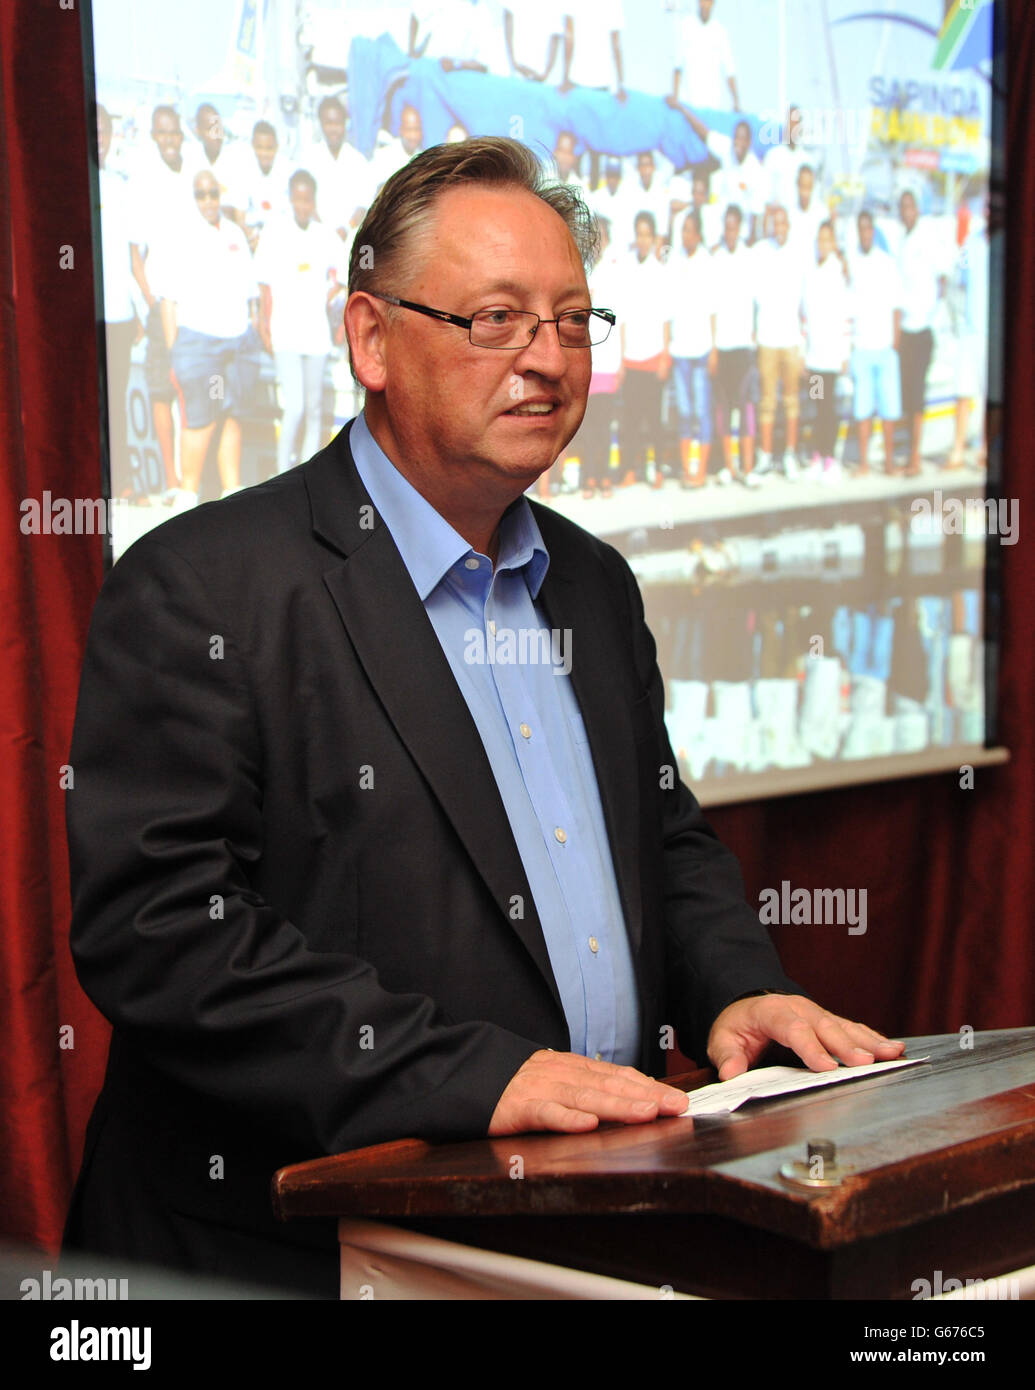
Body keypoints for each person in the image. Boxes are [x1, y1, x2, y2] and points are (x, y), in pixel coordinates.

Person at [63, 138, 904, 1298]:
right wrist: (474, 1078)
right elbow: (163, 934)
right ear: (370, 336)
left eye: (572, 321)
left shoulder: (593, 584)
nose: (549, 361)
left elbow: (659, 838)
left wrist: (733, 986)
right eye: (498, 319)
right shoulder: (203, 587)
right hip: (302, 1255)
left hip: (576, 1240)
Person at [152, 169, 263, 505]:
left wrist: (252, 330)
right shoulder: (181, 235)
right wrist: (176, 351)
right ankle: (188, 494)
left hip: (238, 340)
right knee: (199, 419)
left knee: (232, 414)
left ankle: (231, 492)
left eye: (213, 193)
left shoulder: (234, 234)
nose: (209, 200)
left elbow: (250, 292)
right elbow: (167, 300)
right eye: (201, 194)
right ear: (194, 197)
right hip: (197, 342)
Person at [255, 170, 347, 475]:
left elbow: (342, 279)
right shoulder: (274, 233)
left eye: (308, 200)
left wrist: (330, 299)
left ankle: (307, 475)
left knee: (314, 409)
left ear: (314, 200)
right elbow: (264, 286)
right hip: (285, 334)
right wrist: (263, 324)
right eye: (298, 199)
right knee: (293, 408)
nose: (303, 205)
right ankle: (283, 474)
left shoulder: (325, 236)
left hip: (316, 335)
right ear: (291, 198)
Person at [129, 105, 199, 500]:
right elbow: (135, 253)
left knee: (190, 389)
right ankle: (171, 480)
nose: (170, 139)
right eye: (164, 133)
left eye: (175, 133)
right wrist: (151, 301)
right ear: (155, 135)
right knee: (161, 391)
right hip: (161, 304)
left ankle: (189, 481)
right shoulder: (145, 179)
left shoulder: (193, 174)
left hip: (192, 304)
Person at [96, 105, 141, 501]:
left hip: (120, 315)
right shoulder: (62, 187)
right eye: (92, 131)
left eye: (104, 131)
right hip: (82, 319)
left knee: (117, 401)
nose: (99, 139)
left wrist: (141, 310)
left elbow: (132, 257)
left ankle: (120, 483)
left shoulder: (121, 187)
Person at [896, 190, 949, 476]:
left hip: (923, 328)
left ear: (917, 208)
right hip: (905, 328)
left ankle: (914, 457)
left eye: (910, 206)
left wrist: (934, 315)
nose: (906, 211)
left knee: (917, 392)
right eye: (902, 207)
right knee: (907, 391)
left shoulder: (927, 237)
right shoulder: (902, 241)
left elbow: (943, 275)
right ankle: (908, 454)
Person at [616, 211, 671, 486]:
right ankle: (630, 469)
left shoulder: (660, 272)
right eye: (639, 234)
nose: (643, 240)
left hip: (653, 357)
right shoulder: (627, 270)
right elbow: (622, 318)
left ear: (653, 237)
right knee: (631, 420)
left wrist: (664, 357)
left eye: (647, 235)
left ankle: (658, 468)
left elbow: (665, 318)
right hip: (632, 359)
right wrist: (623, 359)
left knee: (654, 420)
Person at [752, 205, 806, 479]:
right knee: (767, 402)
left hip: (791, 339)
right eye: (776, 223)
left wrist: (803, 341)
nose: (780, 228)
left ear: (789, 226)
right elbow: (751, 294)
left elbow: (805, 301)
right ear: (771, 225)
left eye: (784, 223)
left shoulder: (799, 254)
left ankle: (789, 456)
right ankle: (765, 456)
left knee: (792, 402)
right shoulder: (761, 251)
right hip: (767, 338)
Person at [710, 204, 761, 487]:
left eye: (734, 227)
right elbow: (712, 307)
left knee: (747, 408)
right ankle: (730, 467)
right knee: (724, 409)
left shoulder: (749, 257)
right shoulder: (717, 258)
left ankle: (749, 468)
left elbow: (756, 301)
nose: (730, 232)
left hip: (743, 346)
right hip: (724, 346)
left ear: (740, 227)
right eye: (726, 227)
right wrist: (715, 347)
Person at [849, 210, 902, 476]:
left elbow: (895, 305)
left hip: (885, 346)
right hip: (861, 346)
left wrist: (895, 342)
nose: (865, 233)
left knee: (889, 408)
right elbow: (847, 306)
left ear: (873, 231)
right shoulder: (853, 262)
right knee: (862, 409)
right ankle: (864, 463)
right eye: (861, 229)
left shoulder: (887, 262)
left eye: (868, 228)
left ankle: (890, 462)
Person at [667, 211, 716, 487]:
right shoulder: (674, 261)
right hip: (679, 350)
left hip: (701, 350)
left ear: (698, 234)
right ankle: (688, 470)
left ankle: (702, 471)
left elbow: (713, 309)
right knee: (685, 412)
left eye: (691, 230)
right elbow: (667, 308)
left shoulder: (707, 262)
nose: (687, 235)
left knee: (701, 411)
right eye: (683, 230)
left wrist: (714, 349)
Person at [801, 220, 851, 482]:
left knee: (829, 408)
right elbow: (805, 316)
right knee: (816, 406)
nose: (822, 245)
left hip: (831, 357)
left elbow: (844, 315)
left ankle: (831, 459)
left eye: (827, 240)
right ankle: (817, 456)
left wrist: (844, 353)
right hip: (815, 357)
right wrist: (804, 353)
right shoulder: (811, 273)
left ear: (833, 244)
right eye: (819, 240)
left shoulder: (837, 274)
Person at [307, 95, 371, 242]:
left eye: (338, 123)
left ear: (344, 124)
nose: (333, 129)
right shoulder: (310, 159)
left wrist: (347, 229)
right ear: (321, 124)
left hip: (350, 237)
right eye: (328, 123)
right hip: (317, 237)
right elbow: (306, 203)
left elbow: (363, 205)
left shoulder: (358, 161)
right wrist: (325, 233)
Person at [668, 0, 739, 112]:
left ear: (713, 3)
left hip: (712, 106)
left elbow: (729, 71)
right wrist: (675, 98)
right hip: (687, 106)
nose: (705, 4)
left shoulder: (720, 32)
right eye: (702, 1)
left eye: (708, 2)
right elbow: (677, 66)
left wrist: (736, 102)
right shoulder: (686, 26)